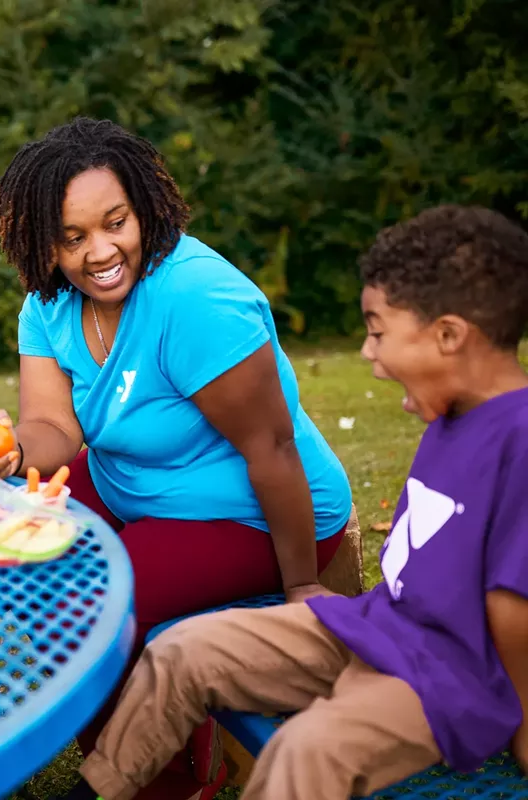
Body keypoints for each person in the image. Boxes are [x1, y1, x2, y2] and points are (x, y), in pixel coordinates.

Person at [71, 204, 528, 800]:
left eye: (378, 330)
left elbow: (512, 608)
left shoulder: (517, 440)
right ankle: (99, 792)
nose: (366, 352)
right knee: (183, 650)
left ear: (448, 336)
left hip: (454, 675)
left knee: (305, 750)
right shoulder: (455, 415)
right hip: (379, 626)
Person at [0, 117, 352, 799]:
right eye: (72, 237)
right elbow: (53, 425)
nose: (99, 251)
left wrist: (300, 591)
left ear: (143, 207)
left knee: (86, 608)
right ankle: (167, 752)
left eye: (116, 222)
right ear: (44, 244)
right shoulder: (47, 304)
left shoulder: (194, 296)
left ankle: (158, 785)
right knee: (14, 554)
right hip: (128, 482)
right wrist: (15, 450)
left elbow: (273, 448)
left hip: (256, 511)